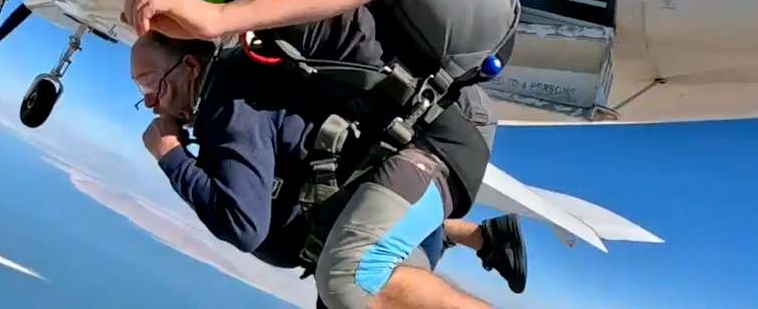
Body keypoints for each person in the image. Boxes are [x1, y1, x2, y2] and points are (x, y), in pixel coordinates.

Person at [122, 0, 523, 308]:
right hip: (424, 138)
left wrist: (216, 21)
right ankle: (476, 237)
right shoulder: (264, 20)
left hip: (438, 138)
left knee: (350, 279)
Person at [130, 31, 527, 308]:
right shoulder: (231, 90)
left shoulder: (227, 107)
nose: (150, 103)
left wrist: (171, 156)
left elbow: (241, 225)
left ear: (190, 68)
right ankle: (481, 236)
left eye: (153, 85)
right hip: (394, 183)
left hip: (428, 160)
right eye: (142, 93)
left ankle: (476, 236)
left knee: (351, 285)